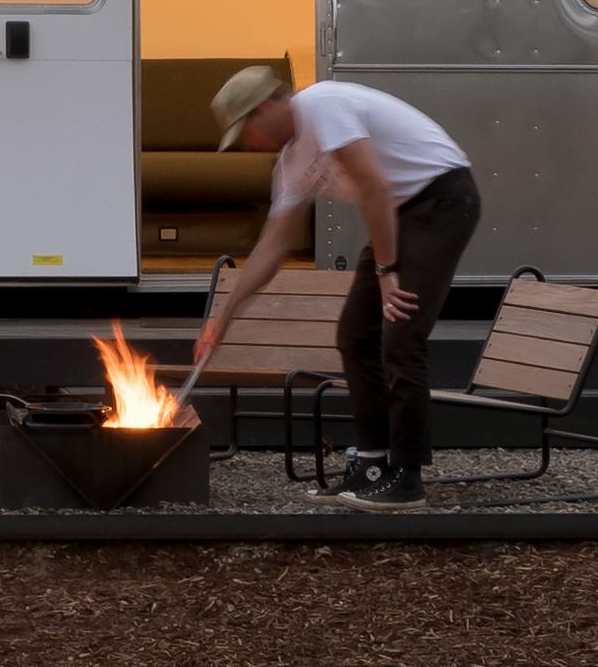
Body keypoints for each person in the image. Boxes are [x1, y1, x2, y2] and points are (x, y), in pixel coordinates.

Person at [180, 67, 481, 499]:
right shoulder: (291, 162)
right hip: (402, 213)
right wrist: (222, 319)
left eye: (245, 131)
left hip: (442, 199)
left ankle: (408, 475)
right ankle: (373, 465)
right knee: (355, 336)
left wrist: (386, 271)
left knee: (400, 334)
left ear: (264, 108)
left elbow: (374, 186)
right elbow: (274, 245)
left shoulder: (322, 105)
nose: (248, 144)